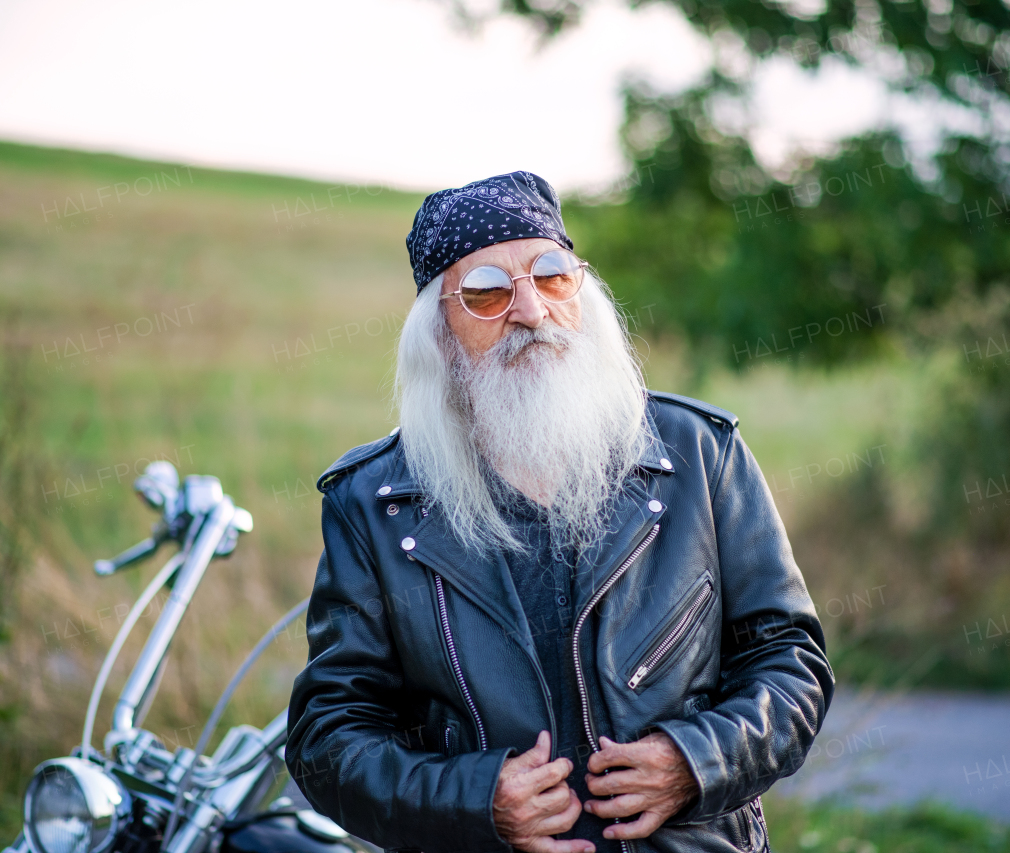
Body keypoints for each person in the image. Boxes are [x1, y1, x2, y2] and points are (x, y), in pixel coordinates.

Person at [284, 171, 834, 853]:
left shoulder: (698, 454)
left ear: (582, 294)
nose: (531, 310)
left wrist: (692, 762)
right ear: (441, 336)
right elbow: (327, 738)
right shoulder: (373, 504)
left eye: (550, 274)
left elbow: (790, 662)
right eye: (486, 291)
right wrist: (474, 799)